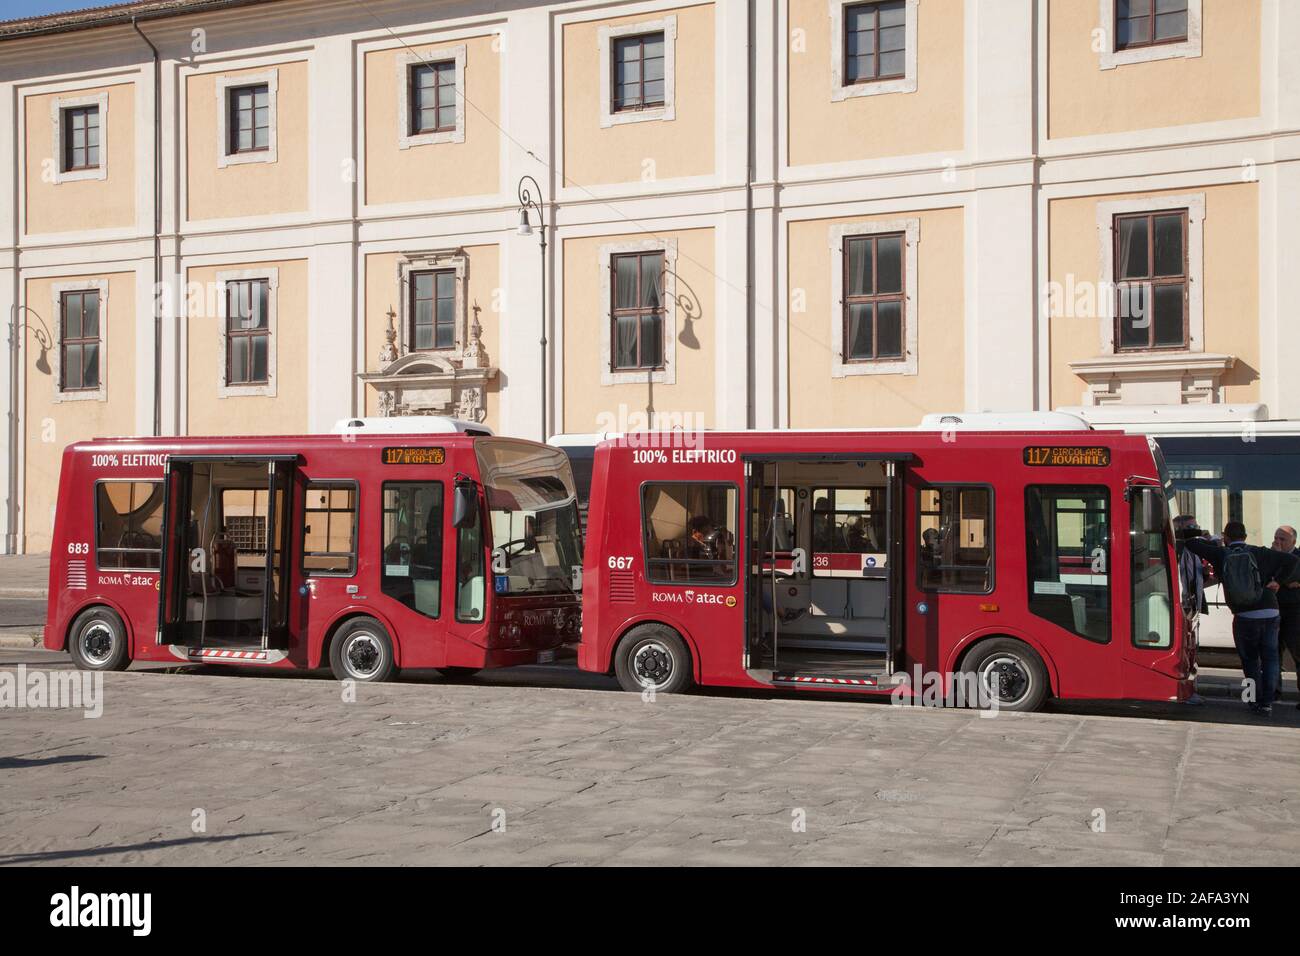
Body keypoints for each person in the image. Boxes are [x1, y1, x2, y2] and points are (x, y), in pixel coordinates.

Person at [1185, 521, 1300, 717]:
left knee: (1250, 660)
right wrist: (1277, 581)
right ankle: (1267, 702)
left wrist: (1210, 539)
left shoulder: (1221, 554)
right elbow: (1291, 562)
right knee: (1271, 658)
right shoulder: (1260, 552)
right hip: (1270, 611)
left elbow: (1191, 545)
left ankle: (1253, 699)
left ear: (1226, 538)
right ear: (1246, 537)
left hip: (1244, 615)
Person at [1271, 525, 1300, 706]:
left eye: (1283, 539)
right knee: (1272, 653)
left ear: (1293, 542)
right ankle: (1274, 691)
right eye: (1277, 538)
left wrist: (1281, 581)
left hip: (1295, 612)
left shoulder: (1297, 556)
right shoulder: (1271, 555)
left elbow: (1291, 576)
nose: (1279, 542)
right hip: (1274, 609)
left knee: (1298, 653)